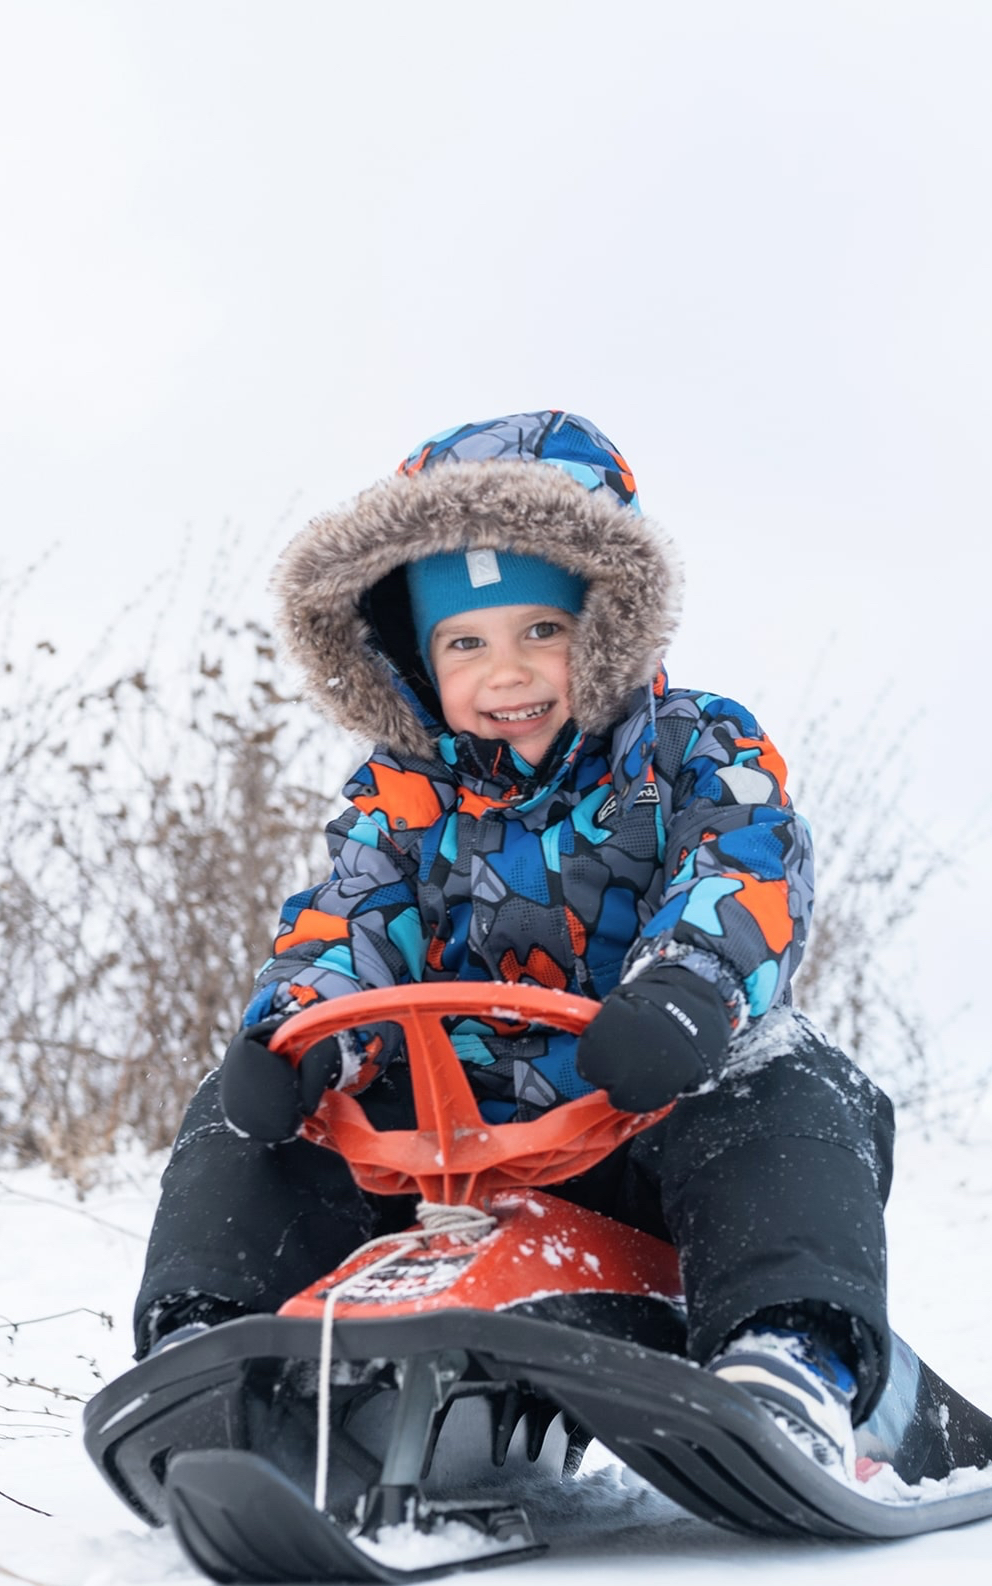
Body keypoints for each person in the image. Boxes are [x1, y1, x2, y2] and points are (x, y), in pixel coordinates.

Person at [130, 412, 895, 1478]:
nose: (508, 671)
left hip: (641, 1130)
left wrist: (686, 990)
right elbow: (349, 919)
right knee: (245, 1100)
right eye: (466, 642)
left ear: (610, 621)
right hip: (444, 1154)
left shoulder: (696, 748)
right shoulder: (398, 796)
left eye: (543, 630)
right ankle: (208, 1352)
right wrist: (298, 1035)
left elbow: (746, 866)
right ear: (412, 659)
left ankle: (785, 1349)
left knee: (790, 1075)